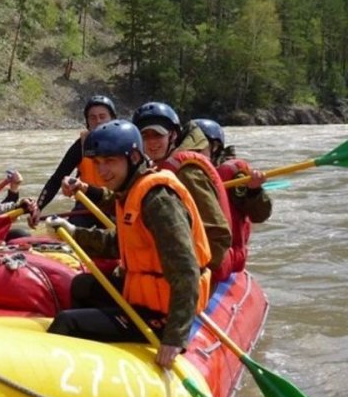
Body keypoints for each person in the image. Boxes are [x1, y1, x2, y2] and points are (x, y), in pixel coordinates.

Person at [44, 119, 211, 369]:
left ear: (133, 157)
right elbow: (122, 243)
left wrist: (174, 338)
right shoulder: (131, 190)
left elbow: (185, 269)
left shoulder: (158, 201)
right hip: (144, 294)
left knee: (67, 322)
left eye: (110, 161)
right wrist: (74, 232)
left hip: (161, 313)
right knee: (82, 286)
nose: (102, 171)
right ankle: (103, 349)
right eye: (98, 163)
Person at [134, 102, 234, 282]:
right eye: (144, 136)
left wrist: (189, 276)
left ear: (172, 135)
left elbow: (218, 234)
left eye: (157, 135)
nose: (151, 143)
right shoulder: (152, 169)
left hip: (198, 271)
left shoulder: (187, 174)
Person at [192, 118, 272, 274]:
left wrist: (254, 191)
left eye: (200, 146)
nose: (193, 151)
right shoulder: (185, 172)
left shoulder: (233, 175)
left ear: (215, 148)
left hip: (227, 255)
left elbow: (259, 215)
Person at [33, 95, 117, 223]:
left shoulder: (125, 143)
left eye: (102, 116)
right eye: (93, 118)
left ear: (113, 118)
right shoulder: (81, 146)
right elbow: (57, 179)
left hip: (115, 206)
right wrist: (38, 207)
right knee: (75, 223)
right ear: (87, 122)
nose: (98, 121)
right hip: (87, 206)